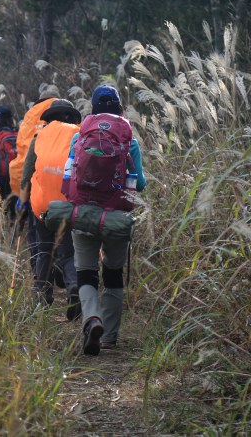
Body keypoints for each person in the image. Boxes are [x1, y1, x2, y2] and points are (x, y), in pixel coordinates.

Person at [66, 85, 146, 355]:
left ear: (93, 109)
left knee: (86, 272)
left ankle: (92, 319)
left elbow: (67, 180)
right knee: (112, 274)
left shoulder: (78, 138)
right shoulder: (129, 141)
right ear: (120, 109)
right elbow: (140, 185)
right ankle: (109, 337)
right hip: (115, 216)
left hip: (82, 213)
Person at [19, 99, 82, 320]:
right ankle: (74, 287)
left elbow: (27, 174)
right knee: (67, 252)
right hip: (67, 204)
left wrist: (23, 199)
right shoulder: (79, 135)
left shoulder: (39, 137)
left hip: (41, 205)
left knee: (44, 250)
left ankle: (42, 297)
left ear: (50, 118)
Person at [8, 85, 60, 275]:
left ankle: (38, 271)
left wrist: (22, 192)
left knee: (35, 230)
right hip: (61, 180)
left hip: (32, 181)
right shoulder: (67, 112)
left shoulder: (30, 115)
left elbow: (22, 153)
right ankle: (61, 267)